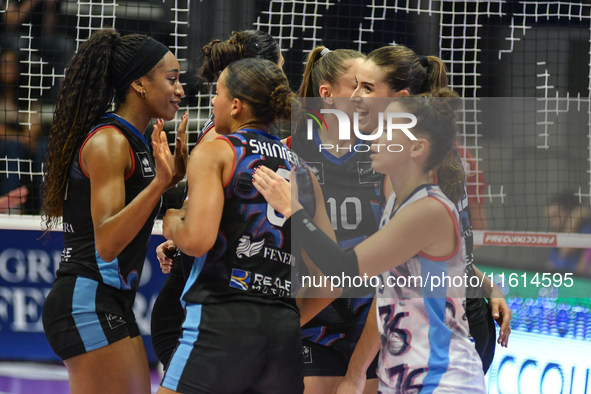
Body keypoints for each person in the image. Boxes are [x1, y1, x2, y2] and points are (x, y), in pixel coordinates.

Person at [253, 90, 487, 393]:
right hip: (403, 372)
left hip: (441, 378)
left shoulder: (427, 211)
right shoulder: (397, 205)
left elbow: (342, 270)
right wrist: (357, 371)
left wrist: (294, 211)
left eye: (388, 129)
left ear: (416, 148)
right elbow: (386, 297)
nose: (374, 135)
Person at [158, 58, 329, 394]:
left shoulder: (217, 150)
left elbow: (196, 240)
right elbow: (332, 278)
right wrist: (285, 317)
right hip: (283, 334)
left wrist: (173, 222)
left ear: (235, 105)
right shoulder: (304, 171)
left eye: (217, 93)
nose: (212, 101)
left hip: (223, 320)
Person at [41, 28, 187, 394]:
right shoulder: (109, 141)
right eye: (172, 79)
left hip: (110, 300)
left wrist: (169, 182)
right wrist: (158, 185)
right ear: (139, 83)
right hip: (86, 299)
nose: (181, 90)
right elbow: (106, 242)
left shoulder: (133, 140)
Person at [151, 29, 285, 370]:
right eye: (280, 70)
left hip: (225, 306)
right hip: (219, 304)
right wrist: (179, 227)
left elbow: (207, 221)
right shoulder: (227, 138)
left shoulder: (230, 137)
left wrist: (176, 225)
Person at [286, 46, 383, 394]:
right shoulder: (290, 151)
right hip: (313, 318)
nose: (364, 96)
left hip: (370, 318)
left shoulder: (385, 155)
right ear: (326, 95)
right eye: (357, 85)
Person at [545, 192, 591, 275]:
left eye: (556, 216)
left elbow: (566, 250)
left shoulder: (586, 230)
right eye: (549, 218)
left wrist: (572, 221)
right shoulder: (557, 236)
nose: (552, 223)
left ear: (570, 212)